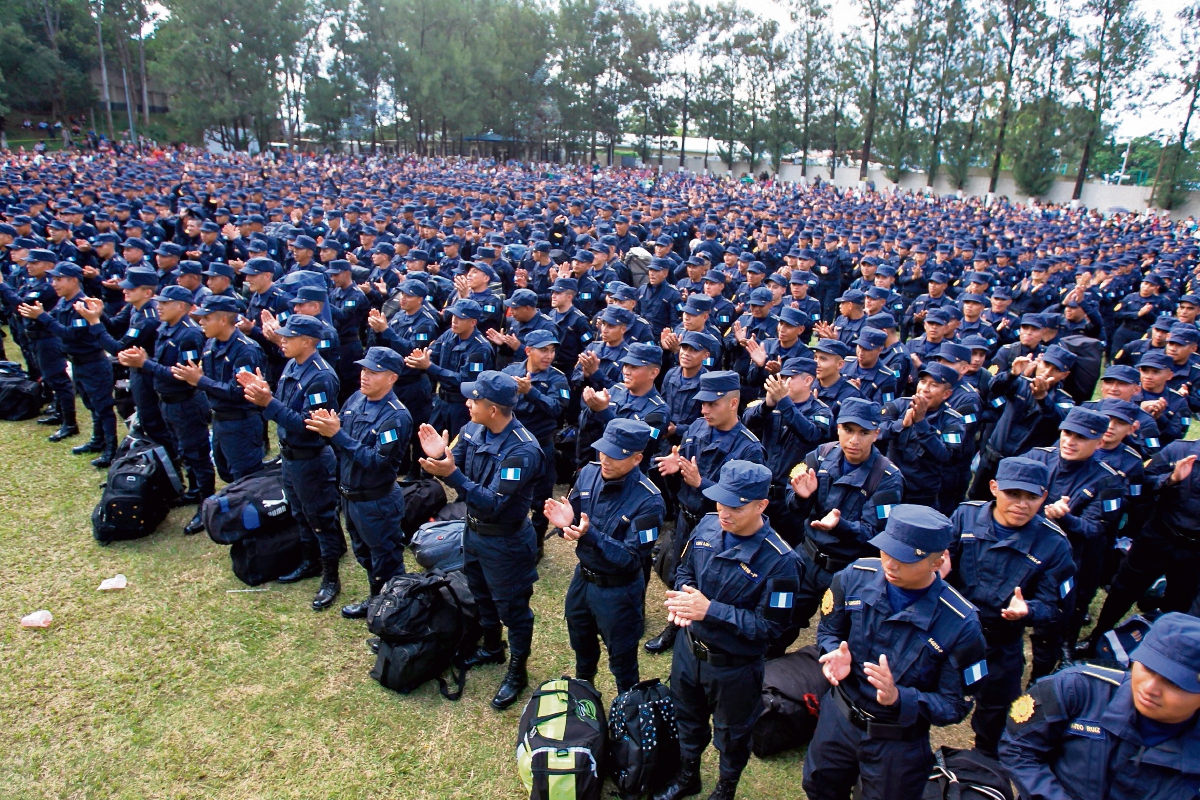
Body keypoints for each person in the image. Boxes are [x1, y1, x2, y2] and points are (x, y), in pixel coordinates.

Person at [802, 505, 986, 800]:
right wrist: (834, 651)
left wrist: (901, 698)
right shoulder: (854, 577)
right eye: (888, 551)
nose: (891, 565)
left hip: (896, 741)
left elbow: (955, 705)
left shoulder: (961, 624)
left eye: (905, 559)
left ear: (938, 561)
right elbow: (829, 630)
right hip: (839, 720)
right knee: (819, 786)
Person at [653, 460, 801, 800]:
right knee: (686, 718)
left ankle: (726, 787)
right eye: (721, 501)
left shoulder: (781, 561)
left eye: (736, 506)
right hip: (690, 651)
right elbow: (685, 570)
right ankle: (689, 775)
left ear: (761, 506)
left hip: (734, 668)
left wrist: (710, 610)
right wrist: (685, 599)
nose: (724, 511)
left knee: (732, 735)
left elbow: (770, 627)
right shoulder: (707, 526)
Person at [416, 371, 544, 710]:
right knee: (481, 594)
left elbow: (493, 502)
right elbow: (466, 479)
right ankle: (492, 647)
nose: (467, 403)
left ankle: (518, 670)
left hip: (506, 541)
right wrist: (445, 458)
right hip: (473, 531)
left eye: (474, 399)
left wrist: (451, 474)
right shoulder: (472, 429)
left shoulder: (523, 450)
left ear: (494, 409)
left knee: (513, 608)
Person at [946, 457, 1076, 756]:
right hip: (951, 631)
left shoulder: (1053, 544)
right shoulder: (965, 517)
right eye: (1013, 494)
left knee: (995, 712)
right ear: (994, 488)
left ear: (1044, 496)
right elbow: (941, 564)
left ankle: (984, 766)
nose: (1021, 504)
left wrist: (1028, 610)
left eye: (1032, 496)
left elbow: (1055, 609)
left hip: (1001, 642)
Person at [1000, 612, 1200, 800]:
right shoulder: (1078, 688)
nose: (1149, 688)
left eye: (1173, 682)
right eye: (1147, 667)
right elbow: (1019, 747)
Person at [543, 418, 665, 692]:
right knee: (582, 646)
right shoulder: (589, 473)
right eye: (603, 451)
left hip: (618, 593)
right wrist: (565, 526)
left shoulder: (649, 501)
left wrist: (590, 535)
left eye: (616, 456)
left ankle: (627, 712)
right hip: (583, 581)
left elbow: (633, 558)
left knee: (622, 662)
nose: (606, 460)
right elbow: (572, 516)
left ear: (637, 459)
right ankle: (584, 696)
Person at [776, 397, 904, 656]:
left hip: (847, 571)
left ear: (876, 434)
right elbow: (792, 504)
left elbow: (875, 533)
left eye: (864, 433)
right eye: (848, 430)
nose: (854, 440)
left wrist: (840, 526)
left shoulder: (886, 477)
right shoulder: (820, 457)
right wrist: (802, 497)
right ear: (838, 429)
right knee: (782, 619)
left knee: (840, 638)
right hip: (807, 559)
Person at [647, 371, 765, 655]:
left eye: (713, 403)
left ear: (734, 403)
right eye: (703, 403)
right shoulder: (698, 428)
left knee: (713, 582)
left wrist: (702, 484)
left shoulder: (748, 448)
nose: (704, 409)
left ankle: (708, 630)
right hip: (687, 519)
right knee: (681, 571)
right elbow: (682, 477)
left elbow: (746, 501)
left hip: (722, 528)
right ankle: (676, 623)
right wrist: (675, 470)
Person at [239, 315, 346, 610]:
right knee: (300, 513)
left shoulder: (320, 377)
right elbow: (286, 407)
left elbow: (309, 424)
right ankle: (311, 562)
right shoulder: (292, 364)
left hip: (310, 458)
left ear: (308, 342)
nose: (281, 340)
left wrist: (267, 402)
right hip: (291, 457)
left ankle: (330, 578)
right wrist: (267, 395)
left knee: (320, 518)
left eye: (289, 337)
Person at [303, 347, 413, 621]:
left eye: (373, 372)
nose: (364, 376)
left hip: (376, 500)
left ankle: (394, 616)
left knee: (387, 560)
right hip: (351, 496)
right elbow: (343, 437)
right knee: (364, 554)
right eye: (363, 369)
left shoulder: (395, 417)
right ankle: (376, 599)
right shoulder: (356, 399)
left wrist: (337, 435)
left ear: (391, 378)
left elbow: (377, 462)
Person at [1083, 436, 1200, 651]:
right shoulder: (1179, 450)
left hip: (1194, 552)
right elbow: (1144, 483)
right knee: (1123, 589)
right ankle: (1097, 637)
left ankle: (1156, 652)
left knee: (1179, 603)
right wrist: (1171, 479)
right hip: (1158, 537)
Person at [116, 285, 214, 524]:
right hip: (167, 401)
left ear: (181, 306)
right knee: (183, 450)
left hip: (185, 402)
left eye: (164, 303)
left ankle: (206, 503)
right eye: (158, 302)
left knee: (196, 453)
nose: (158, 307)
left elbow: (184, 375)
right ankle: (193, 491)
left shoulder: (188, 334)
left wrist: (145, 364)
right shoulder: (165, 328)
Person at [170, 295, 265, 533]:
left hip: (241, 423)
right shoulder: (212, 344)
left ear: (224, 320)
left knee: (245, 479)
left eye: (207, 318)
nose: (201, 322)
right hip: (221, 421)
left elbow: (239, 393)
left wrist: (200, 381)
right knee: (225, 470)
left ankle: (254, 529)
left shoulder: (244, 350)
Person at [18, 261, 119, 467]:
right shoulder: (64, 302)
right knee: (91, 405)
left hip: (93, 363)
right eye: (53, 279)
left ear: (73, 281)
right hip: (78, 362)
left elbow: (71, 334)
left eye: (58, 279)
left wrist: (43, 317)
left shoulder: (82, 305)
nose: (54, 283)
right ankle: (98, 440)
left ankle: (111, 449)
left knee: (103, 407)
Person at [741, 356, 833, 546]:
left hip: (791, 496)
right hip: (763, 490)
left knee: (787, 546)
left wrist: (784, 403)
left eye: (789, 377)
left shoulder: (821, 411)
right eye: (780, 377)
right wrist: (767, 405)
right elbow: (748, 422)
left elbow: (811, 434)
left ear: (808, 380)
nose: (782, 382)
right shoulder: (773, 405)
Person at [502, 329, 570, 553]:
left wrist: (531, 392)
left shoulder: (556, 377)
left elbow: (557, 408)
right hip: (511, 444)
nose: (548, 356)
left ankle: (536, 543)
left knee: (541, 497)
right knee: (508, 489)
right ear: (528, 351)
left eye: (551, 351)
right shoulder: (510, 371)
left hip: (541, 445)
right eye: (543, 350)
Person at [877, 362, 967, 509]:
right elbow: (874, 431)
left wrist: (921, 423)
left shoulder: (953, 420)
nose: (925, 389)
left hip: (922, 494)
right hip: (889, 485)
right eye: (923, 382)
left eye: (934, 385)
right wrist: (901, 425)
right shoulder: (900, 405)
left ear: (946, 394)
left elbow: (944, 455)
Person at [408, 297, 494, 440]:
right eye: (454, 315)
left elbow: (464, 380)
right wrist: (422, 359)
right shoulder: (450, 334)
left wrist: (429, 366)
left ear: (473, 322)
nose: (454, 320)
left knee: (457, 446)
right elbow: (432, 353)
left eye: (460, 317)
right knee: (429, 440)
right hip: (442, 400)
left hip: (461, 405)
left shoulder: (480, 348)